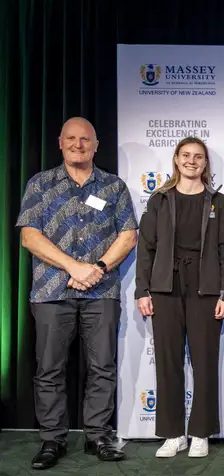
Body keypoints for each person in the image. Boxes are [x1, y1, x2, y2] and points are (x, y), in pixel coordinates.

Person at [16, 117, 137, 470]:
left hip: (101, 291)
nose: (78, 144)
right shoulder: (41, 184)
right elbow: (29, 236)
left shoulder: (113, 187)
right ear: (60, 142)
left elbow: (127, 235)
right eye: (71, 138)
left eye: (85, 139)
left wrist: (96, 269)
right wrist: (73, 267)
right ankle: (52, 440)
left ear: (96, 145)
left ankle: (97, 435)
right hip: (51, 291)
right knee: (50, 368)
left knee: (102, 366)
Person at [135, 137, 224, 458]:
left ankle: (201, 433)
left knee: (205, 362)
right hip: (165, 288)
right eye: (186, 156)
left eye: (199, 157)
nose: (192, 161)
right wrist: (141, 290)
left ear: (205, 164)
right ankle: (173, 433)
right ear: (176, 160)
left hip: (205, 290)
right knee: (168, 362)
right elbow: (146, 247)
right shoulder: (160, 199)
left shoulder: (218, 201)